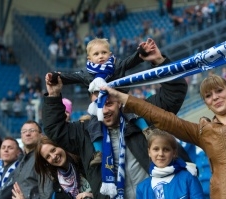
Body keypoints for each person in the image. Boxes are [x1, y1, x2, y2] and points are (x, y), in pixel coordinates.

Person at [42, 42, 190, 198]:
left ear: (119, 99)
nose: (104, 110)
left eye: (109, 102)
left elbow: (174, 94)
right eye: (98, 103)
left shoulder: (142, 113)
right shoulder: (84, 133)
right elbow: (54, 129)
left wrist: (159, 61)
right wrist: (53, 95)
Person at [101, 73, 226, 198]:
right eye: (208, 95)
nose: (215, 97)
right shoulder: (203, 132)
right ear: (206, 102)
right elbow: (163, 118)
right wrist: (124, 99)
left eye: (219, 91)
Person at [50, 38, 155, 167]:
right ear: (89, 59)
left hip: (120, 101)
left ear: (110, 54)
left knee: (132, 109)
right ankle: (99, 153)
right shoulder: (86, 73)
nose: (101, 56)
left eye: (104, 52)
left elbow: (131, 61)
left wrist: (142, 52)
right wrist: (56, 77)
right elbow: (71, 77)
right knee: (93, 125)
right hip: (99, 106)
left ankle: (147, 131)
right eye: (96, 54)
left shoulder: (117, 66)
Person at [0, 120, 53, 199]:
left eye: (32, 131)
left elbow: (47, 195)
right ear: (21, 136)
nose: (27, 134)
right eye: (24, 131)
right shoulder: (21, 163)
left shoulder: (42, 158)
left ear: (41, 135)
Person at [136, 128, 203, 199]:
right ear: (149, 152)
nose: (161, 154)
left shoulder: (188, 177)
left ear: (174, 153)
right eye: (156, 149)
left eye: (166, 149)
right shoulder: (142, 188)